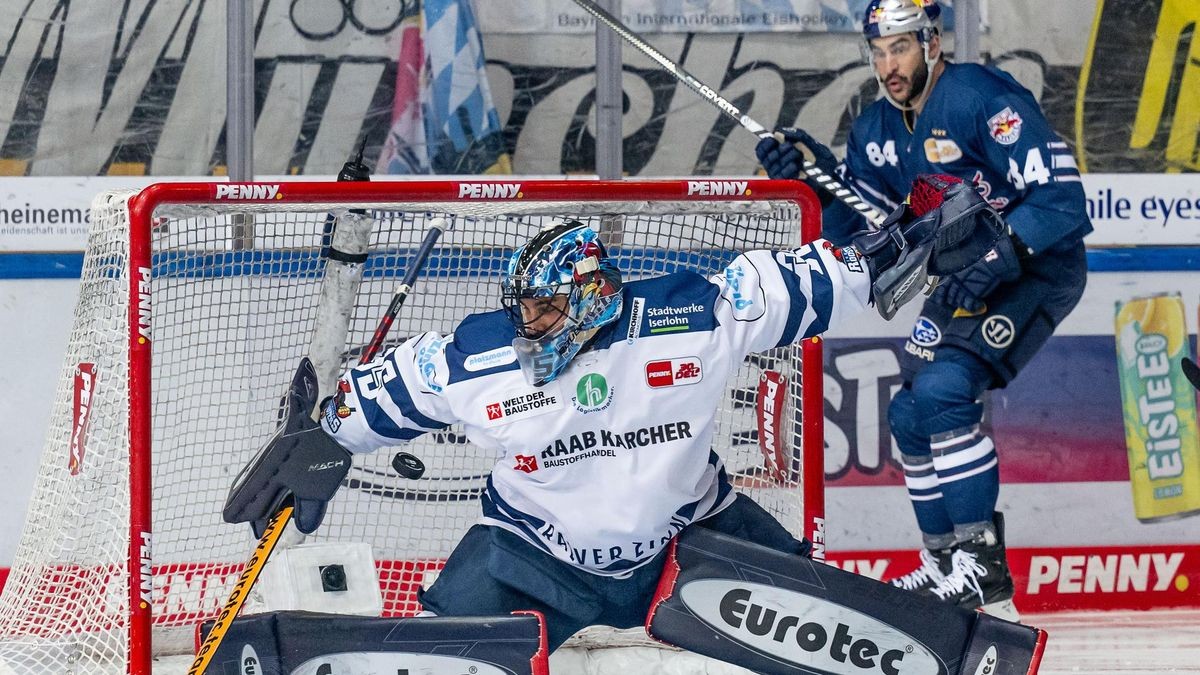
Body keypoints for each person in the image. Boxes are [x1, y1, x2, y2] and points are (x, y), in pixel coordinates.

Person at [223, 176, 1005, 653]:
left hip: (692, 542)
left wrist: (922, 235)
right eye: (521, 308)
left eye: (542, 308)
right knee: (446, 661)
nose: (524, 324)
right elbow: (386, 390)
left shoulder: (697, 314)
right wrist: (324, 434)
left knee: (836, 632)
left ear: (591, 296)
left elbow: (820, 277)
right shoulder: (479, 354)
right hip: (529, 559)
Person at [755, 0, 1091, 619]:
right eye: (879, 53)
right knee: (909, 413)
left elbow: (1066, 201)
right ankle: (946, 567)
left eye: (901, 49)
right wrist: (807, 185)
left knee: (941, 390)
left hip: (1039, 268)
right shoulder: (876, 133)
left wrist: (998, 257)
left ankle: (985, 579)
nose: (890, 66)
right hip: (969, 277)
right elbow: (867, 239)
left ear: (932, 44)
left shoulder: (977, 97)